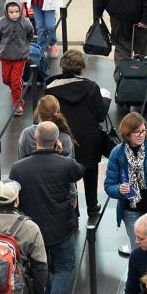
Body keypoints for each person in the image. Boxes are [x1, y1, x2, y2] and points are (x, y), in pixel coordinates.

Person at [8, 121, 84, 294]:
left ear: (35, 139)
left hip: (33, 231)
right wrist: (61, 154)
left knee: (41, 269)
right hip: (62, 228)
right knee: (64, 268)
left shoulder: (19, 168)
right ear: (57, 141)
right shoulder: (65, 164)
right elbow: (79, 171)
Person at [45, 49, 106, 218]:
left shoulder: (50, 88)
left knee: (66, 174)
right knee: (90, 172)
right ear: (82, 67)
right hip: (88, 139)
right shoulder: (91, 87)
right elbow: (100, 115)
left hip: (62, 138)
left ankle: (73, 209)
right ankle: (92, 207)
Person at [104, 112, 147, 248]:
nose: (141, 135)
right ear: (127, 133)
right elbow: (109, 185)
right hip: (131, 212)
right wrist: (119, 189)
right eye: (137, 132)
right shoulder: (117, 153)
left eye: (143, 131)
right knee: (139, 251)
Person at [0, 0, 34, 117]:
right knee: (6, 79)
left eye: (17, 11)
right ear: (6, 12)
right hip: (5, 56)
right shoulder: (0, 22)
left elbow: (30, 34)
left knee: (16, 81)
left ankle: (17, 103)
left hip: (19, 57)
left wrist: (24, 47)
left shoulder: (25, 22)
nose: (14, 14)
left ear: (20, 10)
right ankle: (15, 91)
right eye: (11, 12)